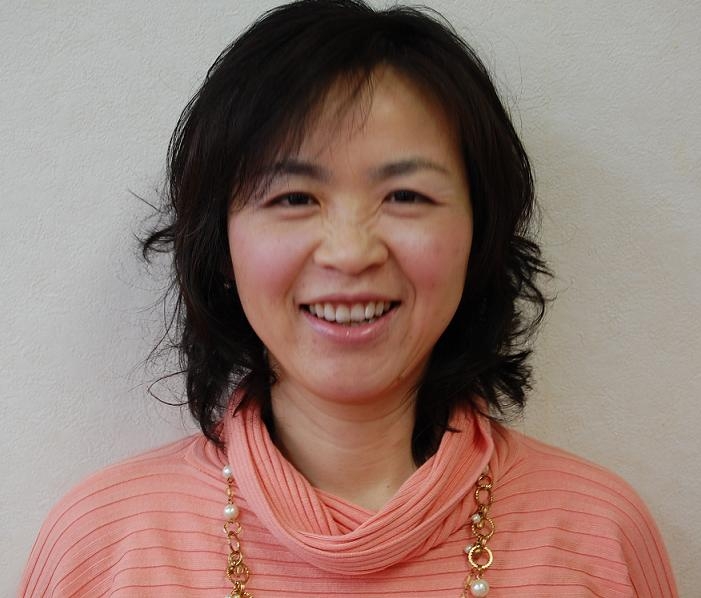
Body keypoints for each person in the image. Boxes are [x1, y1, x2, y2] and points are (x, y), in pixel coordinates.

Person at [20, 1, 677, 596]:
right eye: (293, 197)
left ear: (478, 236)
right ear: (221, 246)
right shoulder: (104, 548)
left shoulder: (598, 535)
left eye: (406, 196)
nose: (350, 252)